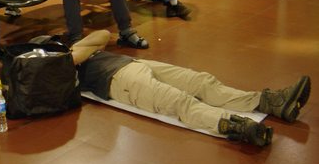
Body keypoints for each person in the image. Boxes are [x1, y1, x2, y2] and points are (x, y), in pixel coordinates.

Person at [68, 29, 311, 147]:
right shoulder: (55, 65)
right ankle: (235, 125)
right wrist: (76, 50)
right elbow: (80, 54)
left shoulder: (67, 49)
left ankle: (269, 102)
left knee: (201, 81)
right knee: (179, 101)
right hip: (118, 81)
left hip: (134, 63)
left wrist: (78, 46)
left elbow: (103, 34)